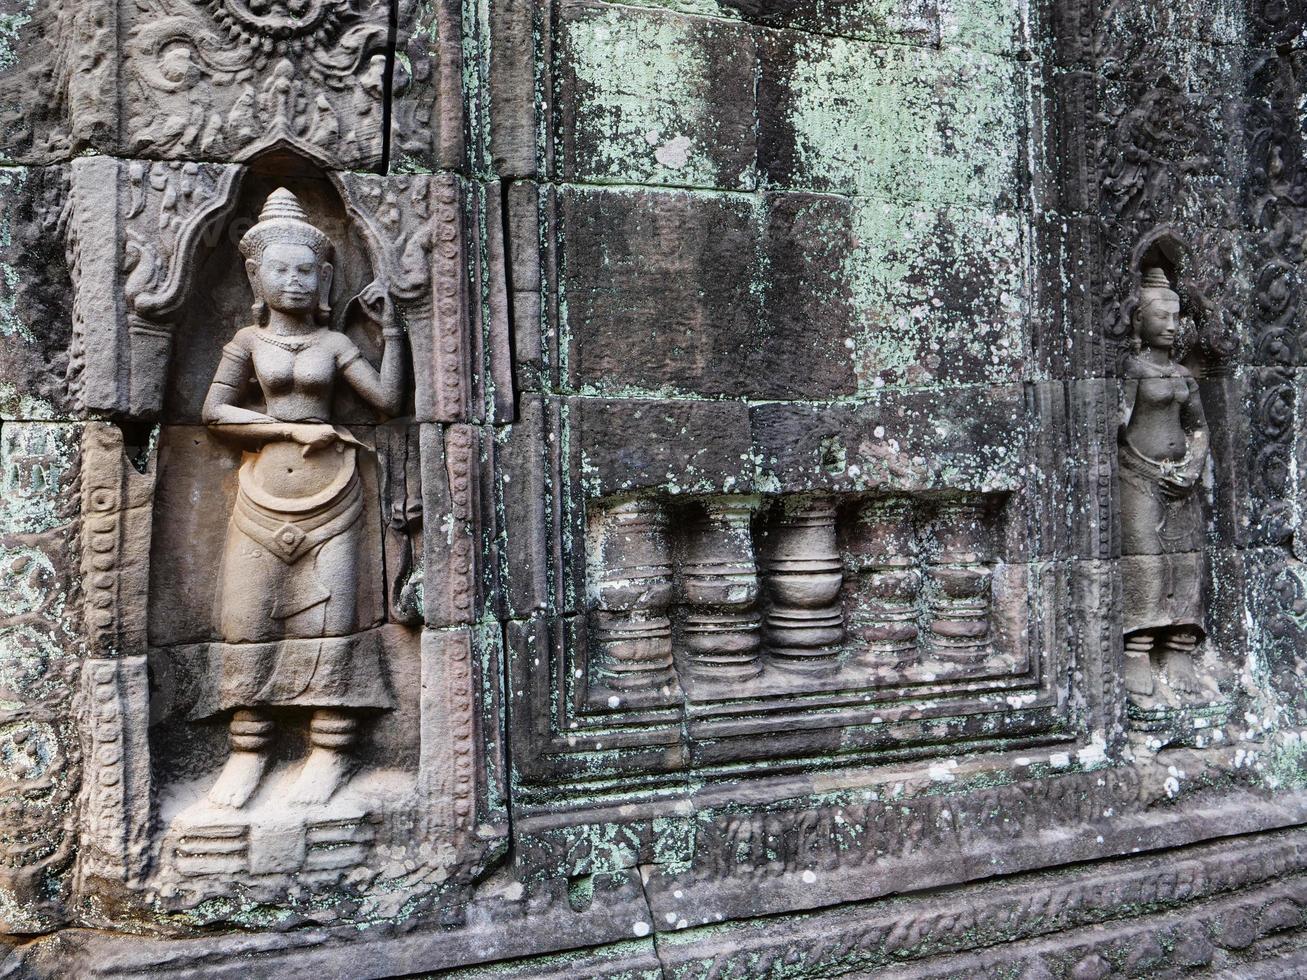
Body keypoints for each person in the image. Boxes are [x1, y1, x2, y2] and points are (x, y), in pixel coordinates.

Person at [198, 188, 405, 808]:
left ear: (324, 280)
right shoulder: (247, 342)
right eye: (280, 270)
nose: (293, 280)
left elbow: (388, 402)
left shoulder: (334, 346)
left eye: (305, 270)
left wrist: (392, 333)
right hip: (260, 496)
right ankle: (248, 751)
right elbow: (213, 412)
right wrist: (287, 426)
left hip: (334, 496)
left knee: (332, 622)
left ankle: (329, 750)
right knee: (247, 617)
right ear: (257, 279)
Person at [1119, 266, 1212, 707]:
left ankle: (1178, 649)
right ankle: (1136, 651)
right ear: (1139, 320)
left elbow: (1197, 428)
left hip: (1181, 483)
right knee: (1147, 564)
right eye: (1163, 317)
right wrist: (1147, 467)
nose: (1173, 326)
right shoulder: (1132, 371)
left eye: (1177, 317)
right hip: (1138, 476)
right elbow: (1112, 430)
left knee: (1187, 562)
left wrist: (1193, 465)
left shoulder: (1181, 375)